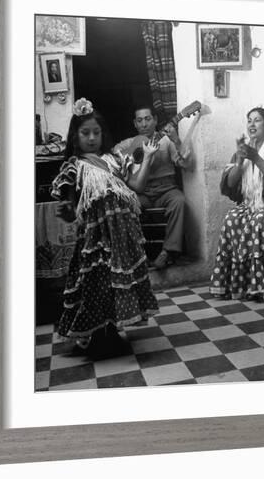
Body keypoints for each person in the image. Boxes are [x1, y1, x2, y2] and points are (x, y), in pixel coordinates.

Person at [51, 98, 159, 357]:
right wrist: (66, 212)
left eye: (96, 133)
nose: (91, 138)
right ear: (75, 137)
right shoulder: (74, 166)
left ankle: (111, 331)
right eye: (85, 133)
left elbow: (137, 187)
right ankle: (96, 335)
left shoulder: (114, 159)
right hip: (94, 240)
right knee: (96, 284)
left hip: (121, 236)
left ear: (103, 134)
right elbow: (70, 207)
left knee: (116, 285)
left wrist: (148, 158)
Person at [210, 107, 264, 303]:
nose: (251, 124)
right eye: (249, 120)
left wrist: (256, 158)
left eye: (257, 120)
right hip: (249, 204)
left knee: (259, 219)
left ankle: (260, 287)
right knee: (232, 218)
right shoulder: (242, 151)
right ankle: (239, 285)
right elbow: (230, 184)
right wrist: (241, 161)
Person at [114, 106, 191, 269]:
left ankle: (168, 252)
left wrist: (177, 140)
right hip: (143, 192)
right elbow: (114, 155)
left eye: (148, 119)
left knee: (179, 201)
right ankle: (136, 253)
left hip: (166, 190)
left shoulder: (167, 140)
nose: (144, 124)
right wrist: (127, 159)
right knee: (126, 205)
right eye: (140, 120)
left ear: (155, 120)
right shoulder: (130, 143)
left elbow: (186, 164)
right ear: (135, 123)